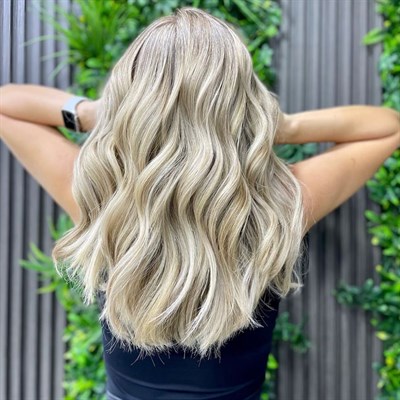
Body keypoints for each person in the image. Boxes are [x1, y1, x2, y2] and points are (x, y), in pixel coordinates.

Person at [0, 6, 399, 400]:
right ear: (241, 102)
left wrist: (95, 113)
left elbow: (7, 104)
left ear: (133, 100)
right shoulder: (279, 200)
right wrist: (284, 126)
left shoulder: (103, 200)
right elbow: (386, 128)